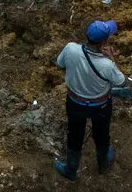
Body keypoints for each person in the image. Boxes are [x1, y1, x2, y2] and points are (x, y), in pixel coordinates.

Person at [54, 21, 127, 180]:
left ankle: (71, 170)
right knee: (102, 134)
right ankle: (103, 164)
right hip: (100, 106)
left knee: (74, 135)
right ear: (104, 41)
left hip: (75, 103)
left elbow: (59, 64)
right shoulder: (107, 65)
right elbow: (122, 82)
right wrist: (112, 58)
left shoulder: (70, 48)